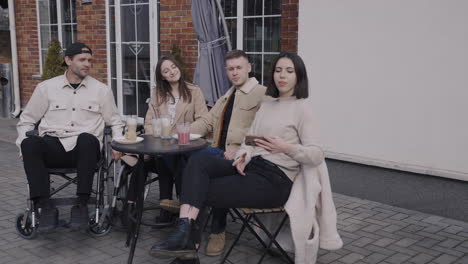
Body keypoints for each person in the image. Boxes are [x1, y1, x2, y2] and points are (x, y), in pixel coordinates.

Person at [148, 52, 343, 263]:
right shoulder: (269, 105)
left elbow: (316, 155)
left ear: (299, 76)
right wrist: (243, 154)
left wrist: (287, 148)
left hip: (277, 179)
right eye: (278, 70)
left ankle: (187, 247)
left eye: (289, 71)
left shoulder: (303, 108)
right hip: (253, 166)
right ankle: (184, 235)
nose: (282, 76)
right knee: (199, 160)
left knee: (199, 187)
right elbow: (250, 140)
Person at [16, 42, 124, 231]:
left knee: (87, 139)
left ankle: (81, 205)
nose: (87, 64)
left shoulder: (101, 90)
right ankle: (45, 207)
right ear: (68, 60)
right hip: (53, 145)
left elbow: (115, 121)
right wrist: (21, 145)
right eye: (82, 60)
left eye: (89, 60)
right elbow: (26, 120)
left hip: (85, 150)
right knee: (30, 143)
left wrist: (117, 143)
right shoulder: (46, 88)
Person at [188, 49, 266, 256]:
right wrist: (181, 132)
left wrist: (241, 149)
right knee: (188, 156)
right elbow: (207, 122)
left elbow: (263, 130)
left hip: (242, 158)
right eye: (230, 69)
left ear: (248, 68)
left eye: (239, 68)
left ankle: (216, 230)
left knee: (210, 173)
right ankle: (188, 210)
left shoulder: (262, 94)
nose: (234, 72)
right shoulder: (227, 95)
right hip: (217, 151)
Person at [143, 55, 208, 223]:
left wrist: (183, 132)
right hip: (162, 145)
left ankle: (171, 205)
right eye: (166, 71)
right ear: (162, 76)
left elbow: (204, 120)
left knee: (173, 156)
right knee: (165, 155)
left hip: (186, 145)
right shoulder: (157, 94)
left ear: (178, 67)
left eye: (173, 67)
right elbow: (149, 122)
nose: (171, 72)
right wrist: (154, 139)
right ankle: (177, 204)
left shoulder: (194, 91)